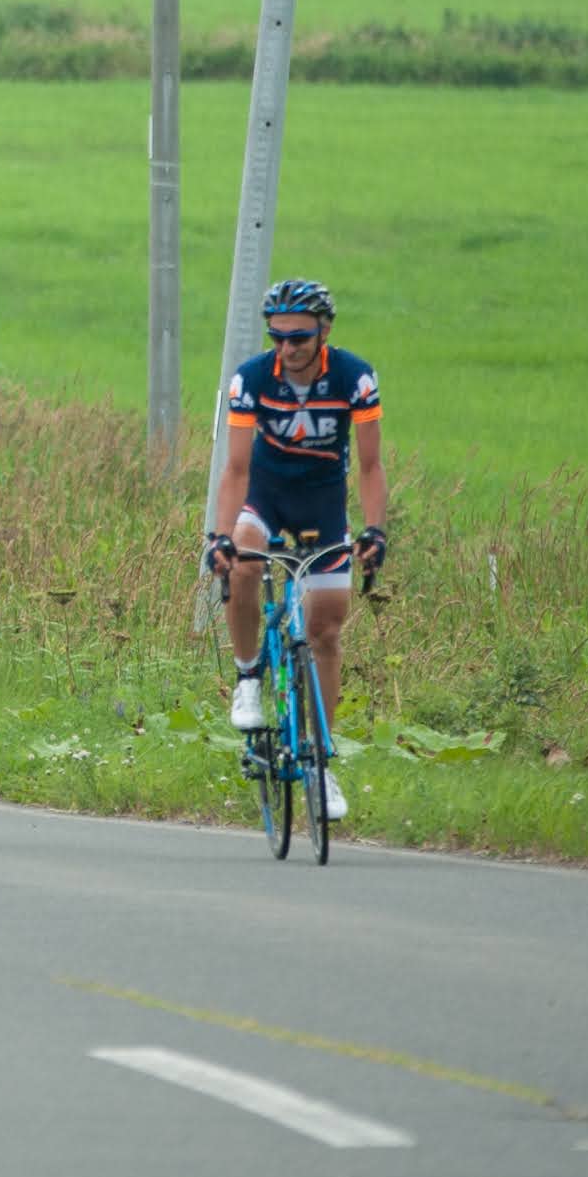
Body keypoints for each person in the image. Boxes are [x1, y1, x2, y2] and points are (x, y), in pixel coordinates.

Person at [208, 277, 391, 822]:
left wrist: (375, 531)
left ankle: (320, 764)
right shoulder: (253, 378)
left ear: (324, 332)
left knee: (326, 629)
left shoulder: (355, 378)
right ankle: (246, 678)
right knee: (243, 559)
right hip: (265, 495)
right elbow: (236, 468)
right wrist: (218, 536)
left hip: (321, 505)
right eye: (278, 337)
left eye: (300, 339)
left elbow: (372, 466)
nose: (287, 350)